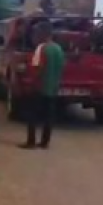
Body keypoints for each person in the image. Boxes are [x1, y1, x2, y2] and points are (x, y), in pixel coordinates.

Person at [19, 21, 65, 149]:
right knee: (48, 116)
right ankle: (45, 142)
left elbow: (37, 69)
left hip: (40, 88)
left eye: (36, 32)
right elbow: (61, 68)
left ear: (42, 33)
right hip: (53, 88)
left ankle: (31, 142)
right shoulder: (58, 48)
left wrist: (31, 85)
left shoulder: (41, 48)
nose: (34, 36)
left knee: (32, 115)